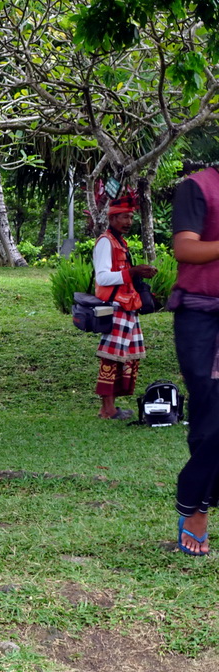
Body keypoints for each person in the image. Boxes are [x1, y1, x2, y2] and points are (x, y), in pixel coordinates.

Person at [169, 167, 219, 555]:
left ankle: (197, 505)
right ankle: (197, 505)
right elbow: (186, 248)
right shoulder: (198, 186)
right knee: (208, 416)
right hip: (202, 318)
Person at [92, 196, 156, 420]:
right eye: (124, 217)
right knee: (111, 357)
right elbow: (103, 277)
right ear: (113, 217)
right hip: (116, 306)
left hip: (127, 306)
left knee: (125, 356)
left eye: (131, 217)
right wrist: (134, 272)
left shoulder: (119, 242)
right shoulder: (105, 242)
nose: (129, 221)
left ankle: (112, 407)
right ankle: (106, 409)